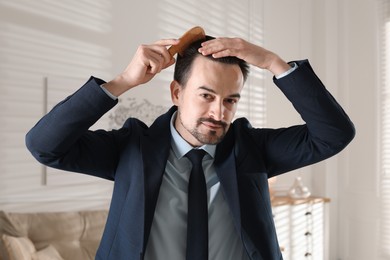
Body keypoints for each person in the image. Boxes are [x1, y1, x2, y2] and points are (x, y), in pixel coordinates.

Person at [26, 33, 355, 260]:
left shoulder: (252, 147)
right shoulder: (132, 147)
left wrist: (272, 62)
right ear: (176, 93)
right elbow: (45, 145)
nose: (218, 112)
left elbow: (333, 134)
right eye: (206, 95)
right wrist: (123, 80)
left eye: (230, 100)